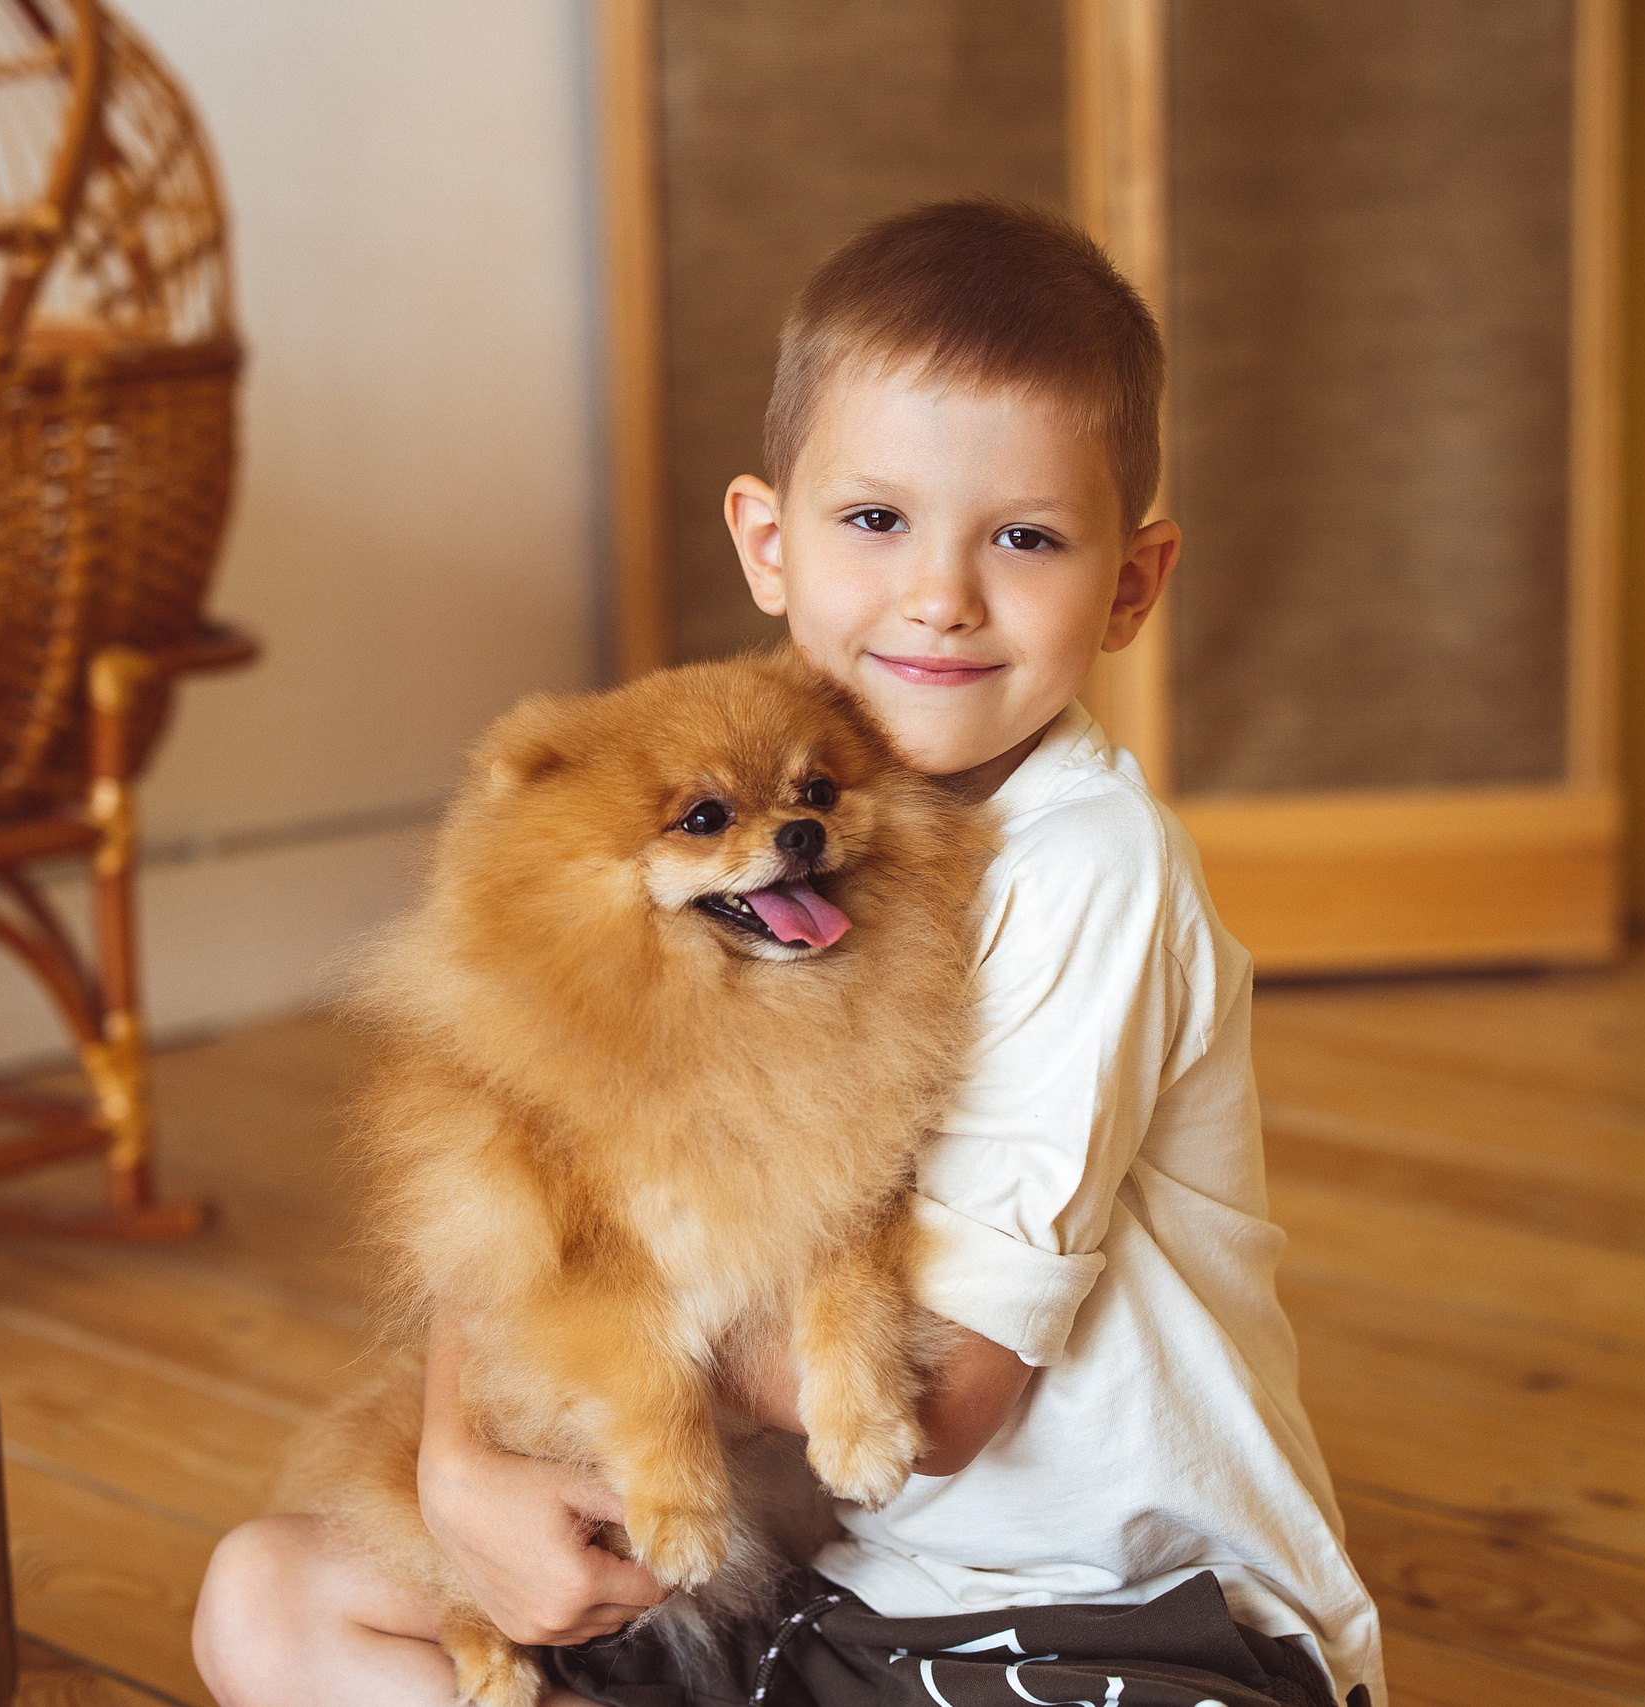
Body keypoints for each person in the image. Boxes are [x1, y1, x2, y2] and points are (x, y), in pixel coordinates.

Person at [194, 198, 1385, 1707]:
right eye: (877, 520)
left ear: (1131, 584)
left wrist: (597, 1285)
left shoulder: (1093, 868)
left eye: (1024, 537)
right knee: (272, 1602)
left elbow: (937, 1403)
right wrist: (457, 1460)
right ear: (770, 539)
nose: (941, 595)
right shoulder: (742, 763)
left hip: (1105, 1612)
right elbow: (506, 1150)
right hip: (800, 1585)